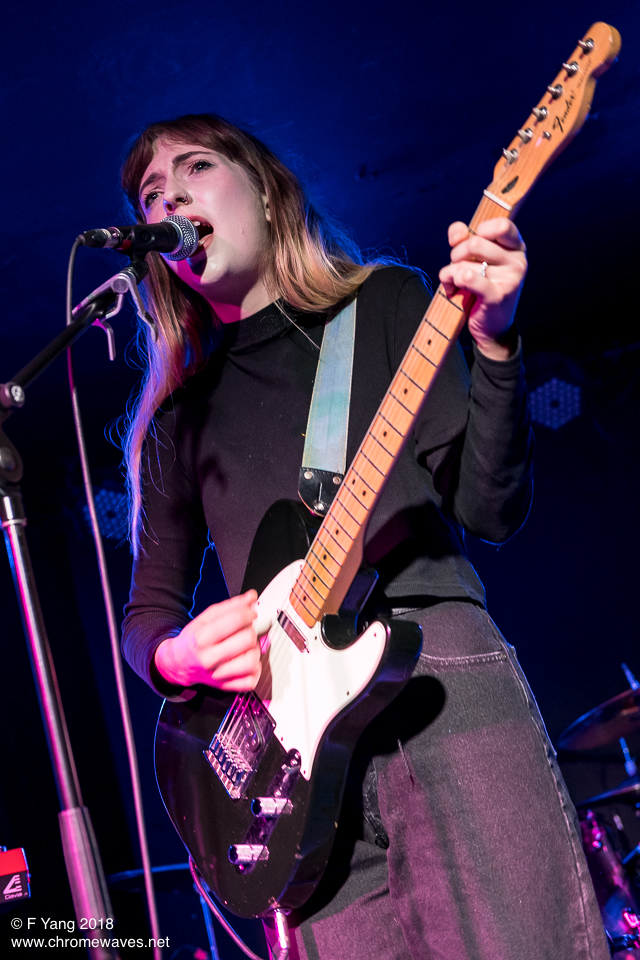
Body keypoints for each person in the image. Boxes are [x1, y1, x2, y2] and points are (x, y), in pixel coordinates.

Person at [120, 114, 609, 960]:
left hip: (434, 681)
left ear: (266, 194)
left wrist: (494, 346)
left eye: (195, 168)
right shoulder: (178, 419)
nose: (170, 198)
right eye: (152, 195)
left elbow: (490, 509)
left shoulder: (383, 305)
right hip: (294, 767)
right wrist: (179, 657)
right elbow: (146, 617)